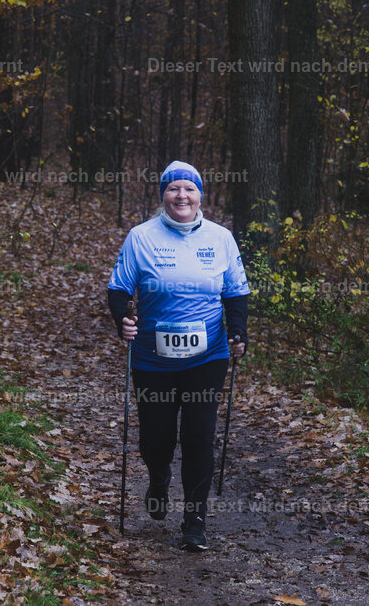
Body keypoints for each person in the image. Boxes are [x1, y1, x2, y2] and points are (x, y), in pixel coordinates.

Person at [106, 160, 250, 552]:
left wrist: (238, 331)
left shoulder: (220, 238)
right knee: (157, 437)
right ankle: (157, 477)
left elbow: (236, 292)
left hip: (208, 357)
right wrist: (123, 320)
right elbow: (118, 289)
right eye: (173, 189)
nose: (181, 196)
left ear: (200, 195)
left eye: (188, 189)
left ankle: (195, 520)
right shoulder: (141, 237)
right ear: (163, 196)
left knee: (199, 436)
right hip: (153, 358)